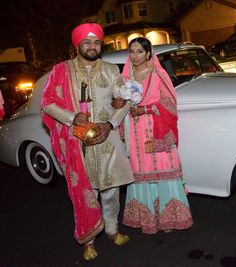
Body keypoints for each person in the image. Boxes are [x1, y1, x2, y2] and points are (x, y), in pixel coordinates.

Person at [40, 23, 134, 261]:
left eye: (96, 42)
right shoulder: (61, 71)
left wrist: (110, 124)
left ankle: (112, 229)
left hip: (108, 140)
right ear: (77, 45)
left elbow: (126, 100)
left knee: (111, 190)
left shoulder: (113, 70)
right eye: (87, 42)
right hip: (78, 143)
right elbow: (48, 102)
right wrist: (72, 117)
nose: (92, 46)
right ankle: (88, 239)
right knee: (85, 193)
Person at [113, 37, 193, 234]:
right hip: (135, 131)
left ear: (148, 54)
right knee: (141, 172)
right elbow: (119, 102)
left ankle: (169, 217)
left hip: (155, 129)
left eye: (140, 51)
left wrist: (146, 109)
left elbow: (170, 104)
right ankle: (148, 219)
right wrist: (119, 103)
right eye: (131, 52)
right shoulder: (125, 76)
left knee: (164, 168)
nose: (135, 56)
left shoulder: (158, 74)